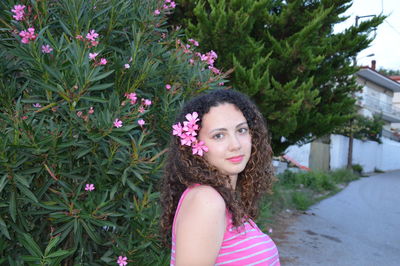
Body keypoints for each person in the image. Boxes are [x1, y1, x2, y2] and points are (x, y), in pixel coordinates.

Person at [160, 89, 280, 265]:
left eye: (241, 130)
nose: (235, 145)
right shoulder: (207, 201)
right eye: (219, 135)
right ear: (194, 145)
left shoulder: (223, 199)